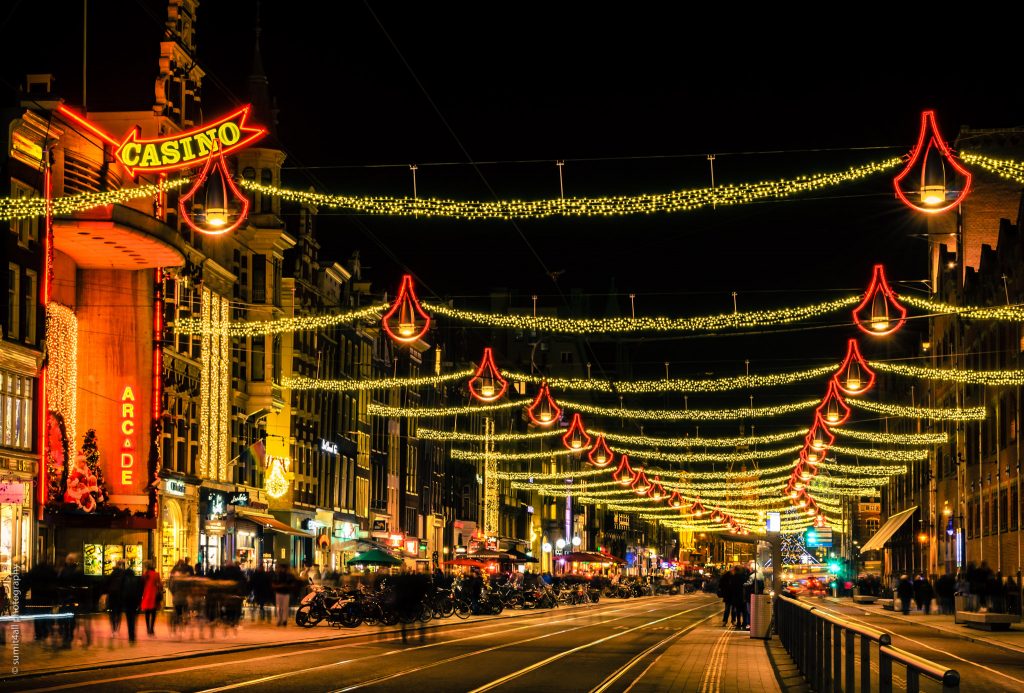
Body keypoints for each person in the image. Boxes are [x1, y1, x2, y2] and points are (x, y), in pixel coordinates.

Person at [139, 560, 163, 636]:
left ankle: (148, 628)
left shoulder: (145, 575)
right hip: (153, 595)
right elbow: (160, 584)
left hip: (146, 594)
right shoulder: (156, 574)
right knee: (153, 613)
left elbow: (142, 584)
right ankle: (152, 629)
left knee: (147, 613)